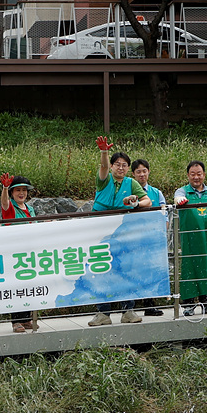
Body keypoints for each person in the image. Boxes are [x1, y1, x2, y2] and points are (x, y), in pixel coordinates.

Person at [89, 138, 151, 327]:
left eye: (125, 165)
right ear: (112, 166)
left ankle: (128, 311)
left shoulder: (132, 183)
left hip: (123, 232)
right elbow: (103, 167)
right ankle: (103, 313)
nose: (121, 168)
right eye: (118, 165)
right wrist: (104, 153)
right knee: (101, 270)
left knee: (126, 269)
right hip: (100, 231)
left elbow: (147, 201)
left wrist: (135, 204)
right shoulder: (104, 180)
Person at [173, 160, 207, 315]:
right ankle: (188, 305)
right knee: (189, 268)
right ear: (188, 175)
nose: (196, 177)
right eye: (193, 174)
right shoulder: (182, 191)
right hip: (190, 239)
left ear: (204, 174)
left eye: (199, 174)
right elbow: (177, 199)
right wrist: (180, 202)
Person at [0, 174, 39, 333]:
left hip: (30, 252)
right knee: (17, 286)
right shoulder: (10, 208)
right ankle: (16, 320)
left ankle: (27, 318)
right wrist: (5, 188)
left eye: (24, 190)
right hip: (15, 254)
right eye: (17, 190)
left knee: (30, 285)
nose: (21, 193)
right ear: (12, 192)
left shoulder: (30, 209)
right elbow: (4, 202)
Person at [132, 158, 166, 317]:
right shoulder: (129, 191)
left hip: (152, 238)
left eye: (144, 171)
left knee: (151, 270)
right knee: (134, 271)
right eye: (138, 171)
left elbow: (164, 214)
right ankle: (130, 308)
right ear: (133, 174)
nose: (141, 174)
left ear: (148, 172)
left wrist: (162, 231)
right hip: (133, 239)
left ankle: (149, 305)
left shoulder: (156, 192)